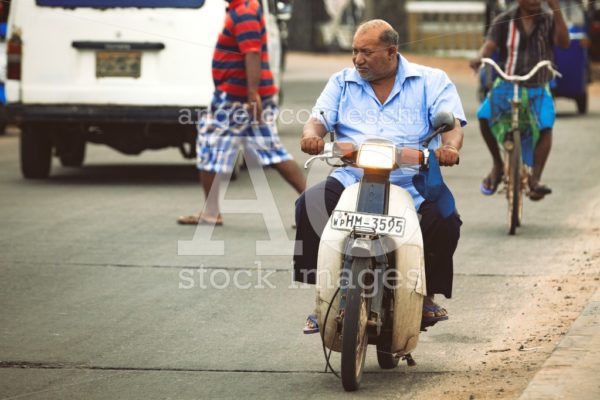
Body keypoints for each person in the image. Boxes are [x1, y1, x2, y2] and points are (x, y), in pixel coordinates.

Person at [294, 19, 466, 333]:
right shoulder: (342, 82)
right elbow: (317, 120)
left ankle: (426, 295)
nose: (357, 59)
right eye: (354, 52)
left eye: (366, 52)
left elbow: (452, 126)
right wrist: (312, 136)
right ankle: (323, 296)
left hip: (412, 178)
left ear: (391, 51)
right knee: (310, 203)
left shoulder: (431, 80)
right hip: (353, 176)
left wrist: (449, 148)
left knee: (444, 218)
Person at [178, 0, 306, 225]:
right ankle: (315, 210)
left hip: (237, 99)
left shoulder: (245, 10)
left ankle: (211, 212)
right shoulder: (242, 7)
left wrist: (252, 94)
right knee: (271, 151)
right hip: (243, 97)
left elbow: (252, 53)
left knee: (209, 146)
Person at [470, 0, 569, 201]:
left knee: (546, 124)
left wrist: (556, 8)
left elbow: (564, 43)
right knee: (484, 115)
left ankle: (535, 180)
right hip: (507, 84)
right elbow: (488, 47)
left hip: (538, 85)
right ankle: (498, 165)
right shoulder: (503, 21)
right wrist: (479, 57)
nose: (534, 1)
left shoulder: (549, 20)